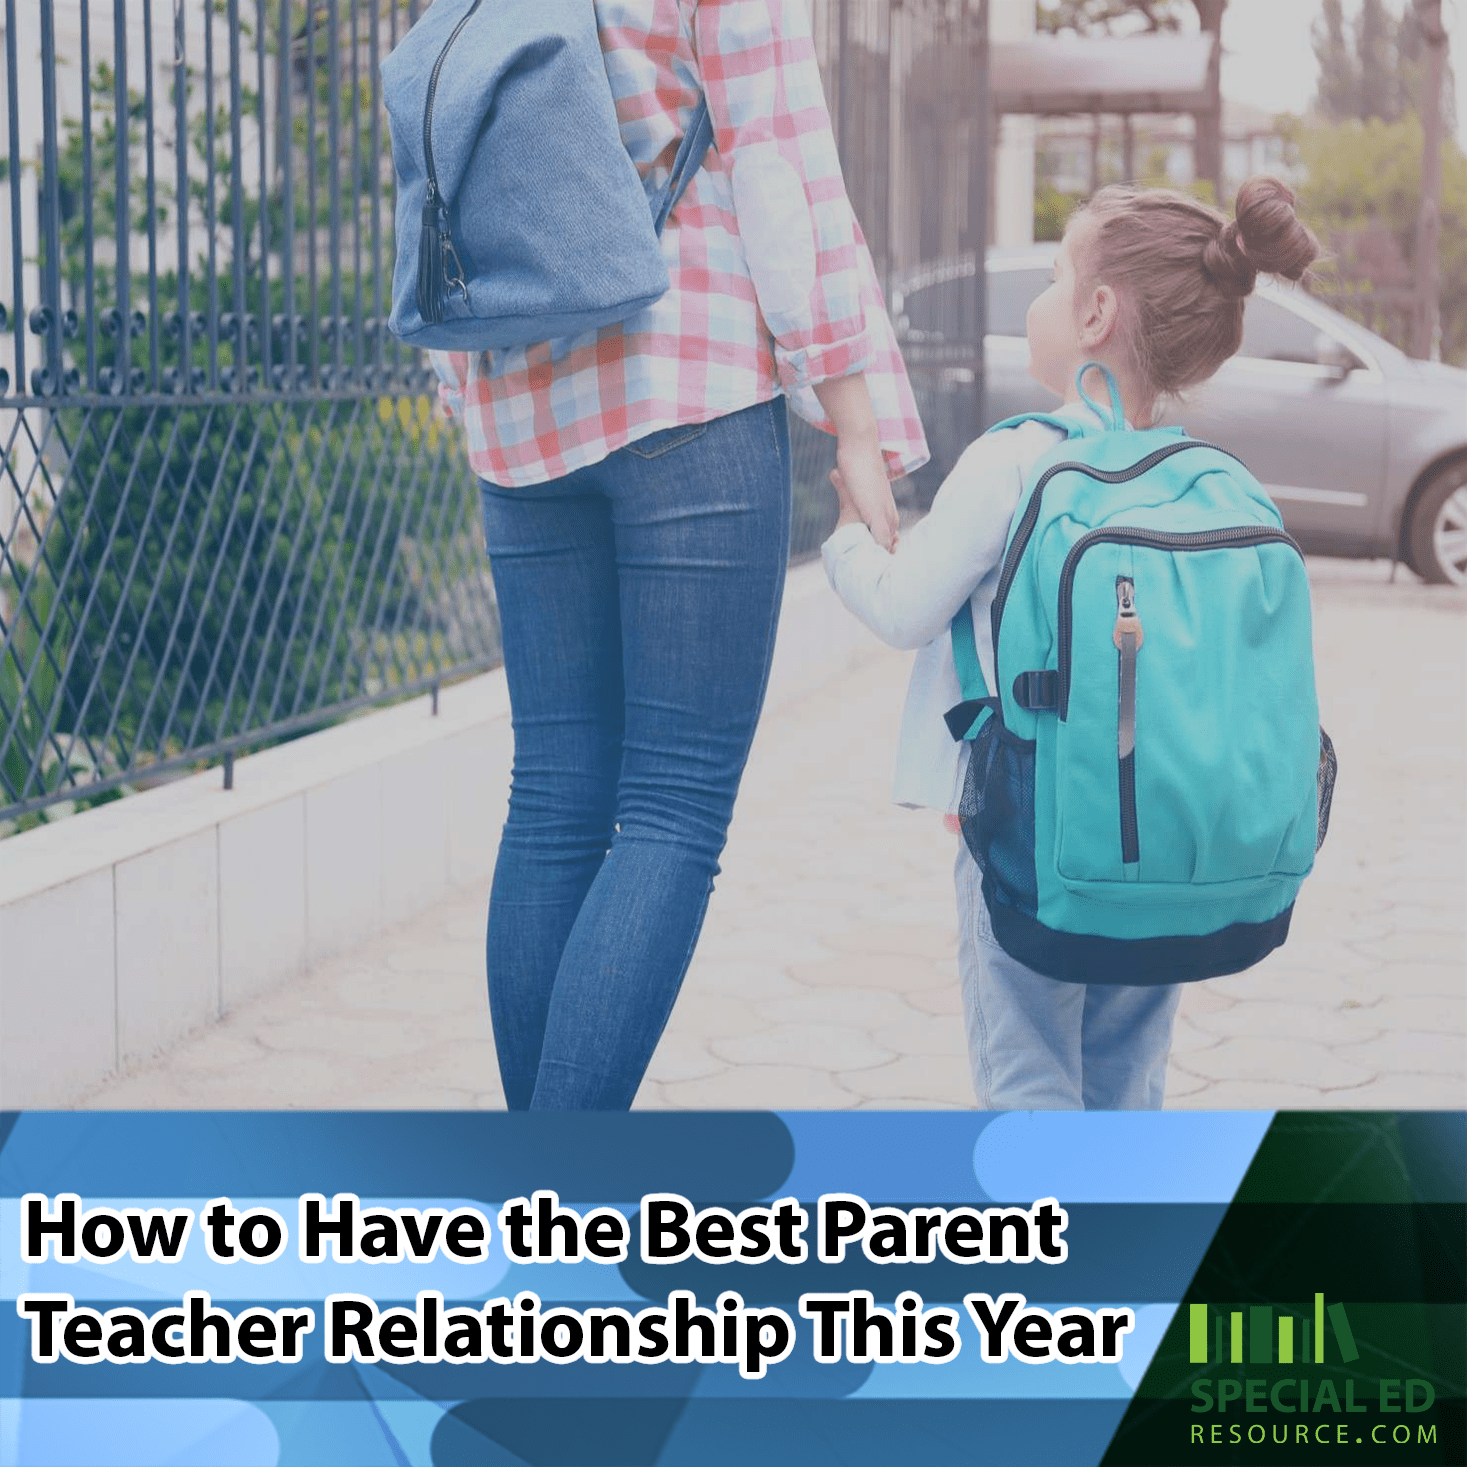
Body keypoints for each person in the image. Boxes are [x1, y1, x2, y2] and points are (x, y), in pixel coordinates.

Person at [432, 0, 928, 1110]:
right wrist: (853, 418)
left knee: (553, 797)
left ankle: (536, 1196)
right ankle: (565, 1197)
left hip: (517, 396)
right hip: (685, 378)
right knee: (671, 805)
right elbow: (780, 159)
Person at [822, 176, 1320, 1109]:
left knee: (1026, 1077)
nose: (1040, 298)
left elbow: (902, 608)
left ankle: (1052, 1248)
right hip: (1163, 847)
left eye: (1054, 277)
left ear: (1095, 313)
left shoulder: (1016, 459)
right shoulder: (1202, 483)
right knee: (1126, 1084)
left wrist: (848, 533)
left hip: (1030, 844)